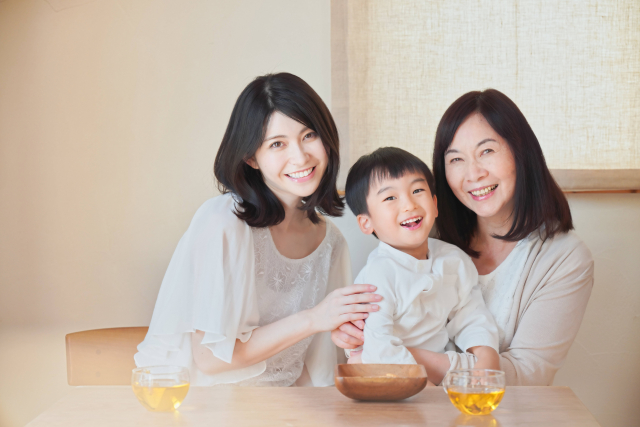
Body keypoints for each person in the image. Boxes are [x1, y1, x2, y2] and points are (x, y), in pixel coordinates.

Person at [135, 72, 381, 387]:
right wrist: (313, 318)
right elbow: (209, 360)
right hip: (203, 401)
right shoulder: (223, 222)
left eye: (309, 135)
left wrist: (349, 336)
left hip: (285, 403)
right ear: (251, 157)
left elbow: (319, 367)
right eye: (277, 144)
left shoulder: (331, 242)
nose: (300, 156)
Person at [333, 89, 594, 386]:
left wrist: (402, 357)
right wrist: (353, 335)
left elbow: (527, 375)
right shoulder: (419, 235)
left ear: (521, 153)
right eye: (456, 159)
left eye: (487, 151)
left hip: (497, 409)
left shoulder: (563, 258)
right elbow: (369, 336)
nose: (473, 174)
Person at [342, 147, 500, 375]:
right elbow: (378, 347)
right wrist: (425, 386)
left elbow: (470, 314)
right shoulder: (378, 274)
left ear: (435, 205)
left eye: (417, 190)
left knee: (477, 367)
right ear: (367, 223)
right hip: (391, 374)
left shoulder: (453, 259)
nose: (409, 204)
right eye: (390, 197)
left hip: (442, 367)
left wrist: (487, 355)